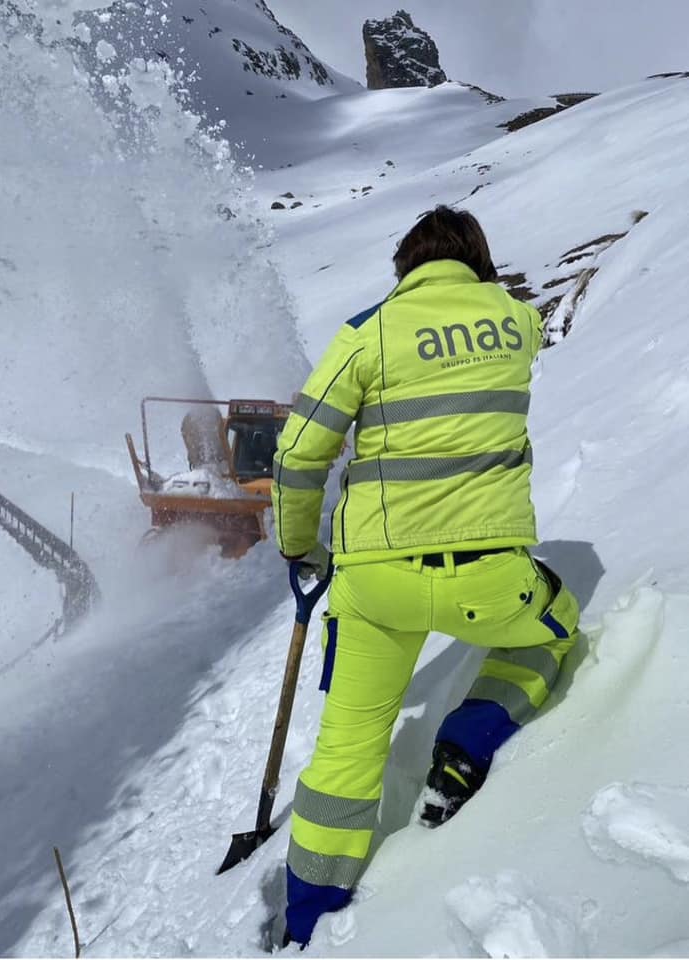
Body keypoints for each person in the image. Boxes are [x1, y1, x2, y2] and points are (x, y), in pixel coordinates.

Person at [270, 205, 580, 948]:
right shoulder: (513, 319)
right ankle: (465, 744)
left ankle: (307, 917)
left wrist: (297, 549)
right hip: (489, 579)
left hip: (376, 585)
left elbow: (297, 455)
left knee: (347, 747)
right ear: (477, 260)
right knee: (555, 625)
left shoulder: (368, 330)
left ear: (404, 269)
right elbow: (528, 328)